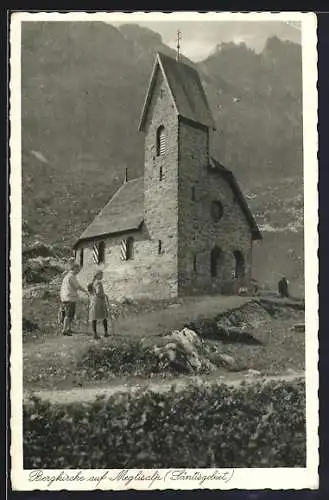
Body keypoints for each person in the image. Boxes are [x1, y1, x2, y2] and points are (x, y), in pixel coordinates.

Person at [60, 262, 87, 336]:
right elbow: (77, 286)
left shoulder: (67, 276)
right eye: (78, 269)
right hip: (69, 298)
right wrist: (85, 291)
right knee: (68, 315)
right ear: (74, 268)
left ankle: (68, 328)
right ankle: (64, 330)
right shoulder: (71, 276)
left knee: (70, 314)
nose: (78, 271)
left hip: (66, 297)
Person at [88, 271, 109, 339]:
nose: (102, 276)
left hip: (93, 301)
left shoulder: (92, 283)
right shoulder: (98, 282)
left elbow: (91, 292)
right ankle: (105, 333)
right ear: (97, 275)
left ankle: (95, 334)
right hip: (99, 302)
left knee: (94, 318)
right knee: (104, 316)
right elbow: (98, 293)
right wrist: (105, 295)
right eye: (101, 275)